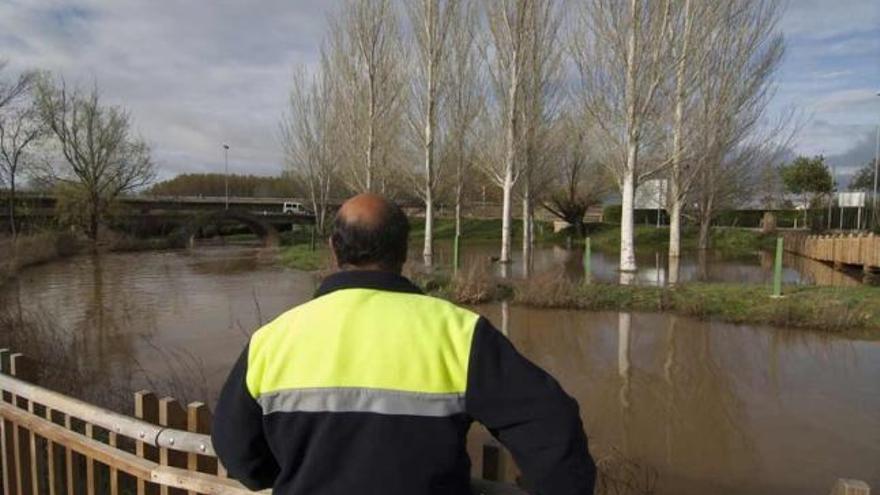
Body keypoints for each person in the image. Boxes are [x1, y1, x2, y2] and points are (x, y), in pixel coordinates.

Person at [212, 193, 596, 494]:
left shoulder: (273, 339)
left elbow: (239, 455)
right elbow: (551, 424)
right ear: (403, 250)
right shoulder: (459, 333)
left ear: (333, 248)